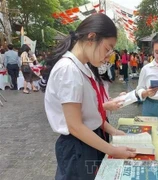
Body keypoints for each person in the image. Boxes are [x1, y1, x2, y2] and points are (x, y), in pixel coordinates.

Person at [43, 14, 136, 180]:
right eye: (107, 49)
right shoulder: (68, 70)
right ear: (91, 37)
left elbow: (92, 112)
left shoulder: (83, 68)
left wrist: (113, 131)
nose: (108, 56)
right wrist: (113, 150)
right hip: (77, 145)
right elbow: (75, 126)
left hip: (90, 139)